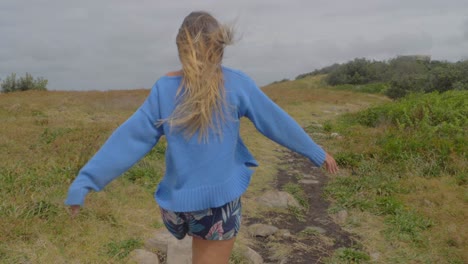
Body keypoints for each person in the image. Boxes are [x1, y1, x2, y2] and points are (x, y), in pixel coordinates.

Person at [65, 11, 338, 264]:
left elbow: (129, 140)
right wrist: (315, 151)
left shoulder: (163, 89)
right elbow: (276, 122)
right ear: (220, 47)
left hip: (176, 208)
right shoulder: (237, 83)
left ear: (180, 47)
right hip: (218, 204)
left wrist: (85, 182)